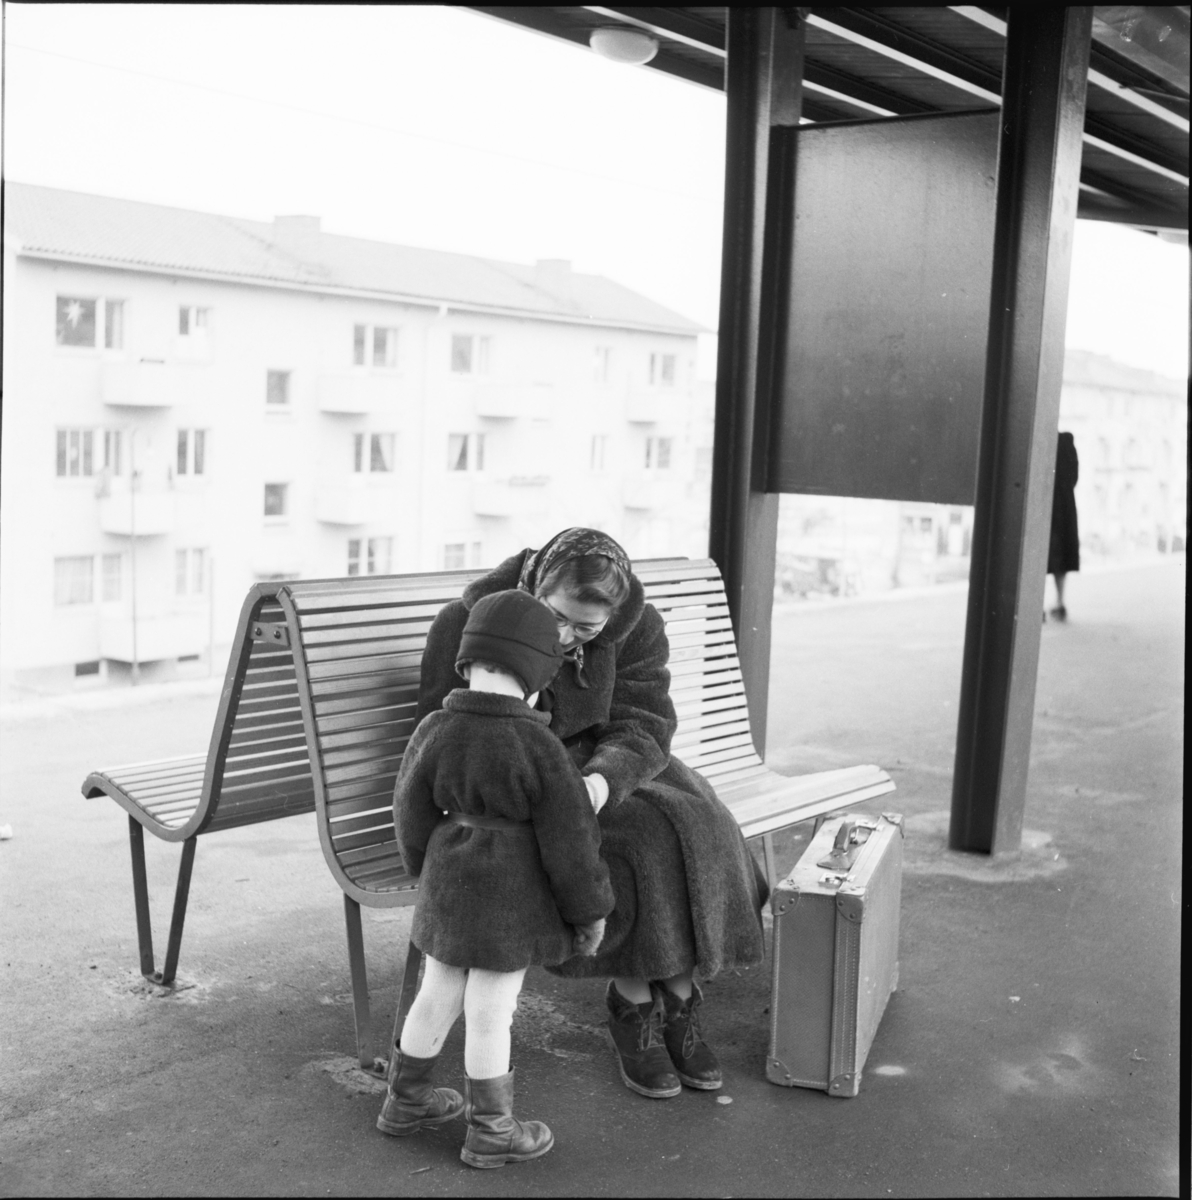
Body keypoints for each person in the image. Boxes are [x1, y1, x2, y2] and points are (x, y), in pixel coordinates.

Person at [415, 528, 769, 1101]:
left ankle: (678, 998)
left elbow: (645, 721)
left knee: (703, 821)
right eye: (556, 618)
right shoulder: (471, 617)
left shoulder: (638, 626)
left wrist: (605, 778)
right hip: (522, 771)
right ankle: (632, 1003)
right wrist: (548, 780)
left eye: (586, 629)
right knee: (638, 842)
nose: (564, 637)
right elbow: (444, 723)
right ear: (535, 585)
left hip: (609, 764)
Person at [378, 588, 614, 1169]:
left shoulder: (436, 726)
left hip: (449, 879)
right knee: (492, 1004)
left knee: (437, 988)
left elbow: (408, 809)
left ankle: (404, 1104)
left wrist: (423, 870)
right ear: (537, 670)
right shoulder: (537, 743)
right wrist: (588, 911)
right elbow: (571, 840)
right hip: (512, 893)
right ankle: (492, 1131)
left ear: (468, 660)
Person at [1047, 431, 1080, 621]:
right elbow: (1074, 477)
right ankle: (1059, 602)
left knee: (1039, 555)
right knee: (1060, 555)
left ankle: (1038, 605)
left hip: (1043, 503)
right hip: (1063, 506)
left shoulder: (1038, 437)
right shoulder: (1067, 442)